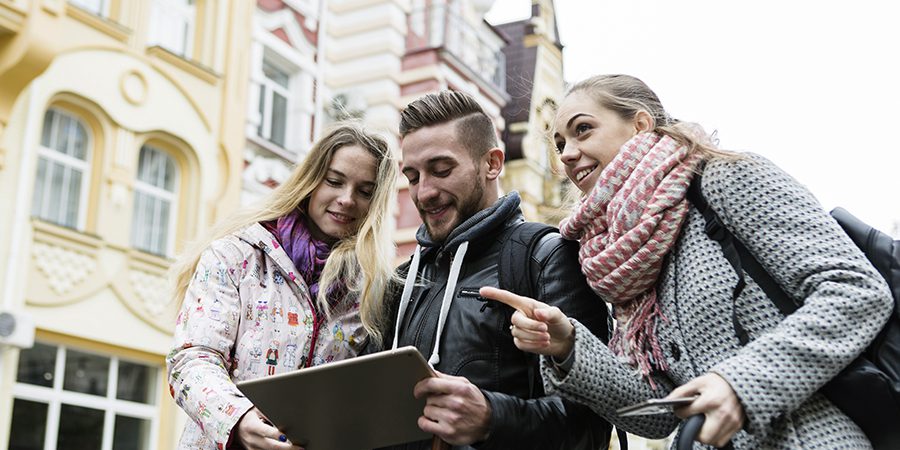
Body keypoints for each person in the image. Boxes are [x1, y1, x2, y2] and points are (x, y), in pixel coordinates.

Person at [480, 74, 894, 449]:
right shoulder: (619, 255)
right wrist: (568, 346)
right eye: (559, 144)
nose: (568, 154)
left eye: (583, 130)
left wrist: (740, 384)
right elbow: (658, 415)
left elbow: (855, 289)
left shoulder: (725, 178)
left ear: (640, 125)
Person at [370, 90, 612, 449]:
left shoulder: (547, 257)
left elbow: (592, 427)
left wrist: (491, 417)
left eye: (441, 170)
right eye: (413, 176)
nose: (424, 193)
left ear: (492, 164)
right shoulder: (403, 281)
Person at [166, 123, 398, 450]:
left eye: (365, 191)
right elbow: (190, 359)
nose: (347, 199)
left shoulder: (371, 291)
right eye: (334, 181)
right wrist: (239, 419)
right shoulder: (236, 254)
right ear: (311, 180)